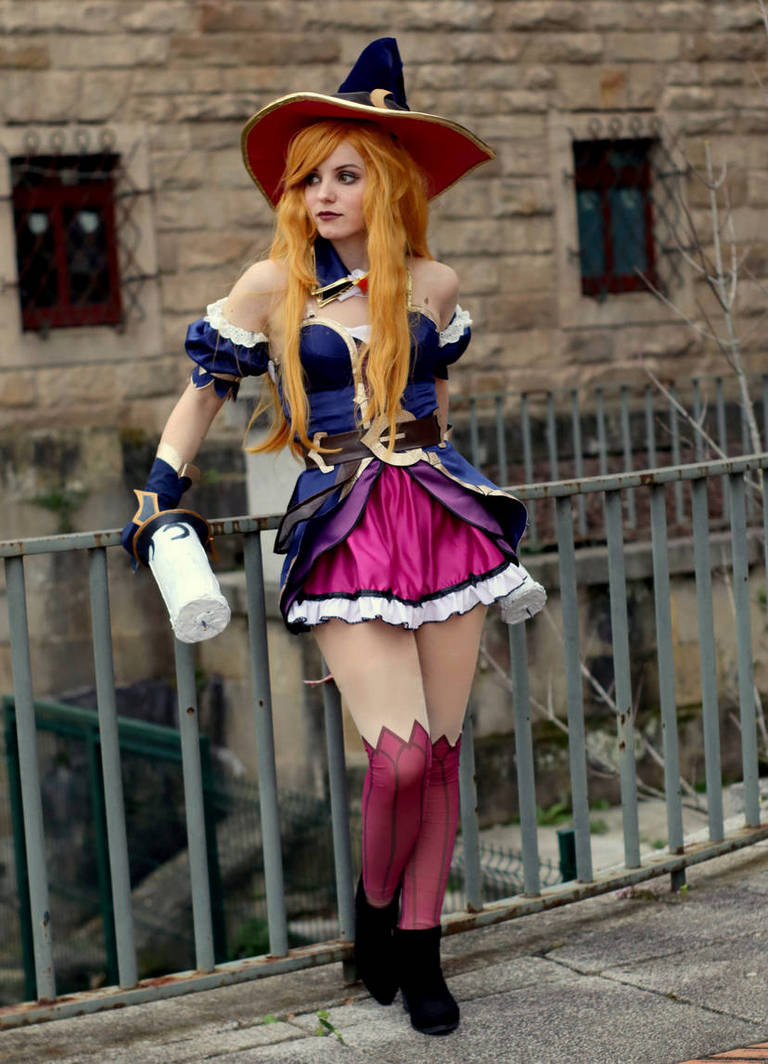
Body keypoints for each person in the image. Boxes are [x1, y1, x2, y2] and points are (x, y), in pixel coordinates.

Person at [122, 38, 545, 1036]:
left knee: (441, 754)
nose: (319, 192)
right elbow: (201, 402)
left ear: (388, 180)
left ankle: (423, 945)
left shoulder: (436, 285)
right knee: (395, 757)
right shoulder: (271, 287)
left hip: (441, 515)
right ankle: (373, 908)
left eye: (343, 174)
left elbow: (435, 408)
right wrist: (155, 498)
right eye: (307, 175)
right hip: (342, 520)